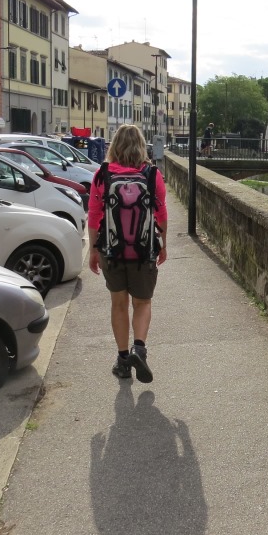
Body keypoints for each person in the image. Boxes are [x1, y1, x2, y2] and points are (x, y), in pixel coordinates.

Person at [88, 124, 168, 383]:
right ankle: (139, 349)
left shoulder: (102, 174)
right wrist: (163, 244)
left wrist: (93, 250)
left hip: (111, 251)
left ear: (114, 146)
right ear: (141, 145)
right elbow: (161, 213)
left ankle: (123, 361)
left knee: (119, 304)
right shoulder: (152, 174)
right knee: (142, 303)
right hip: (143, 252)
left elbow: (94, 215)